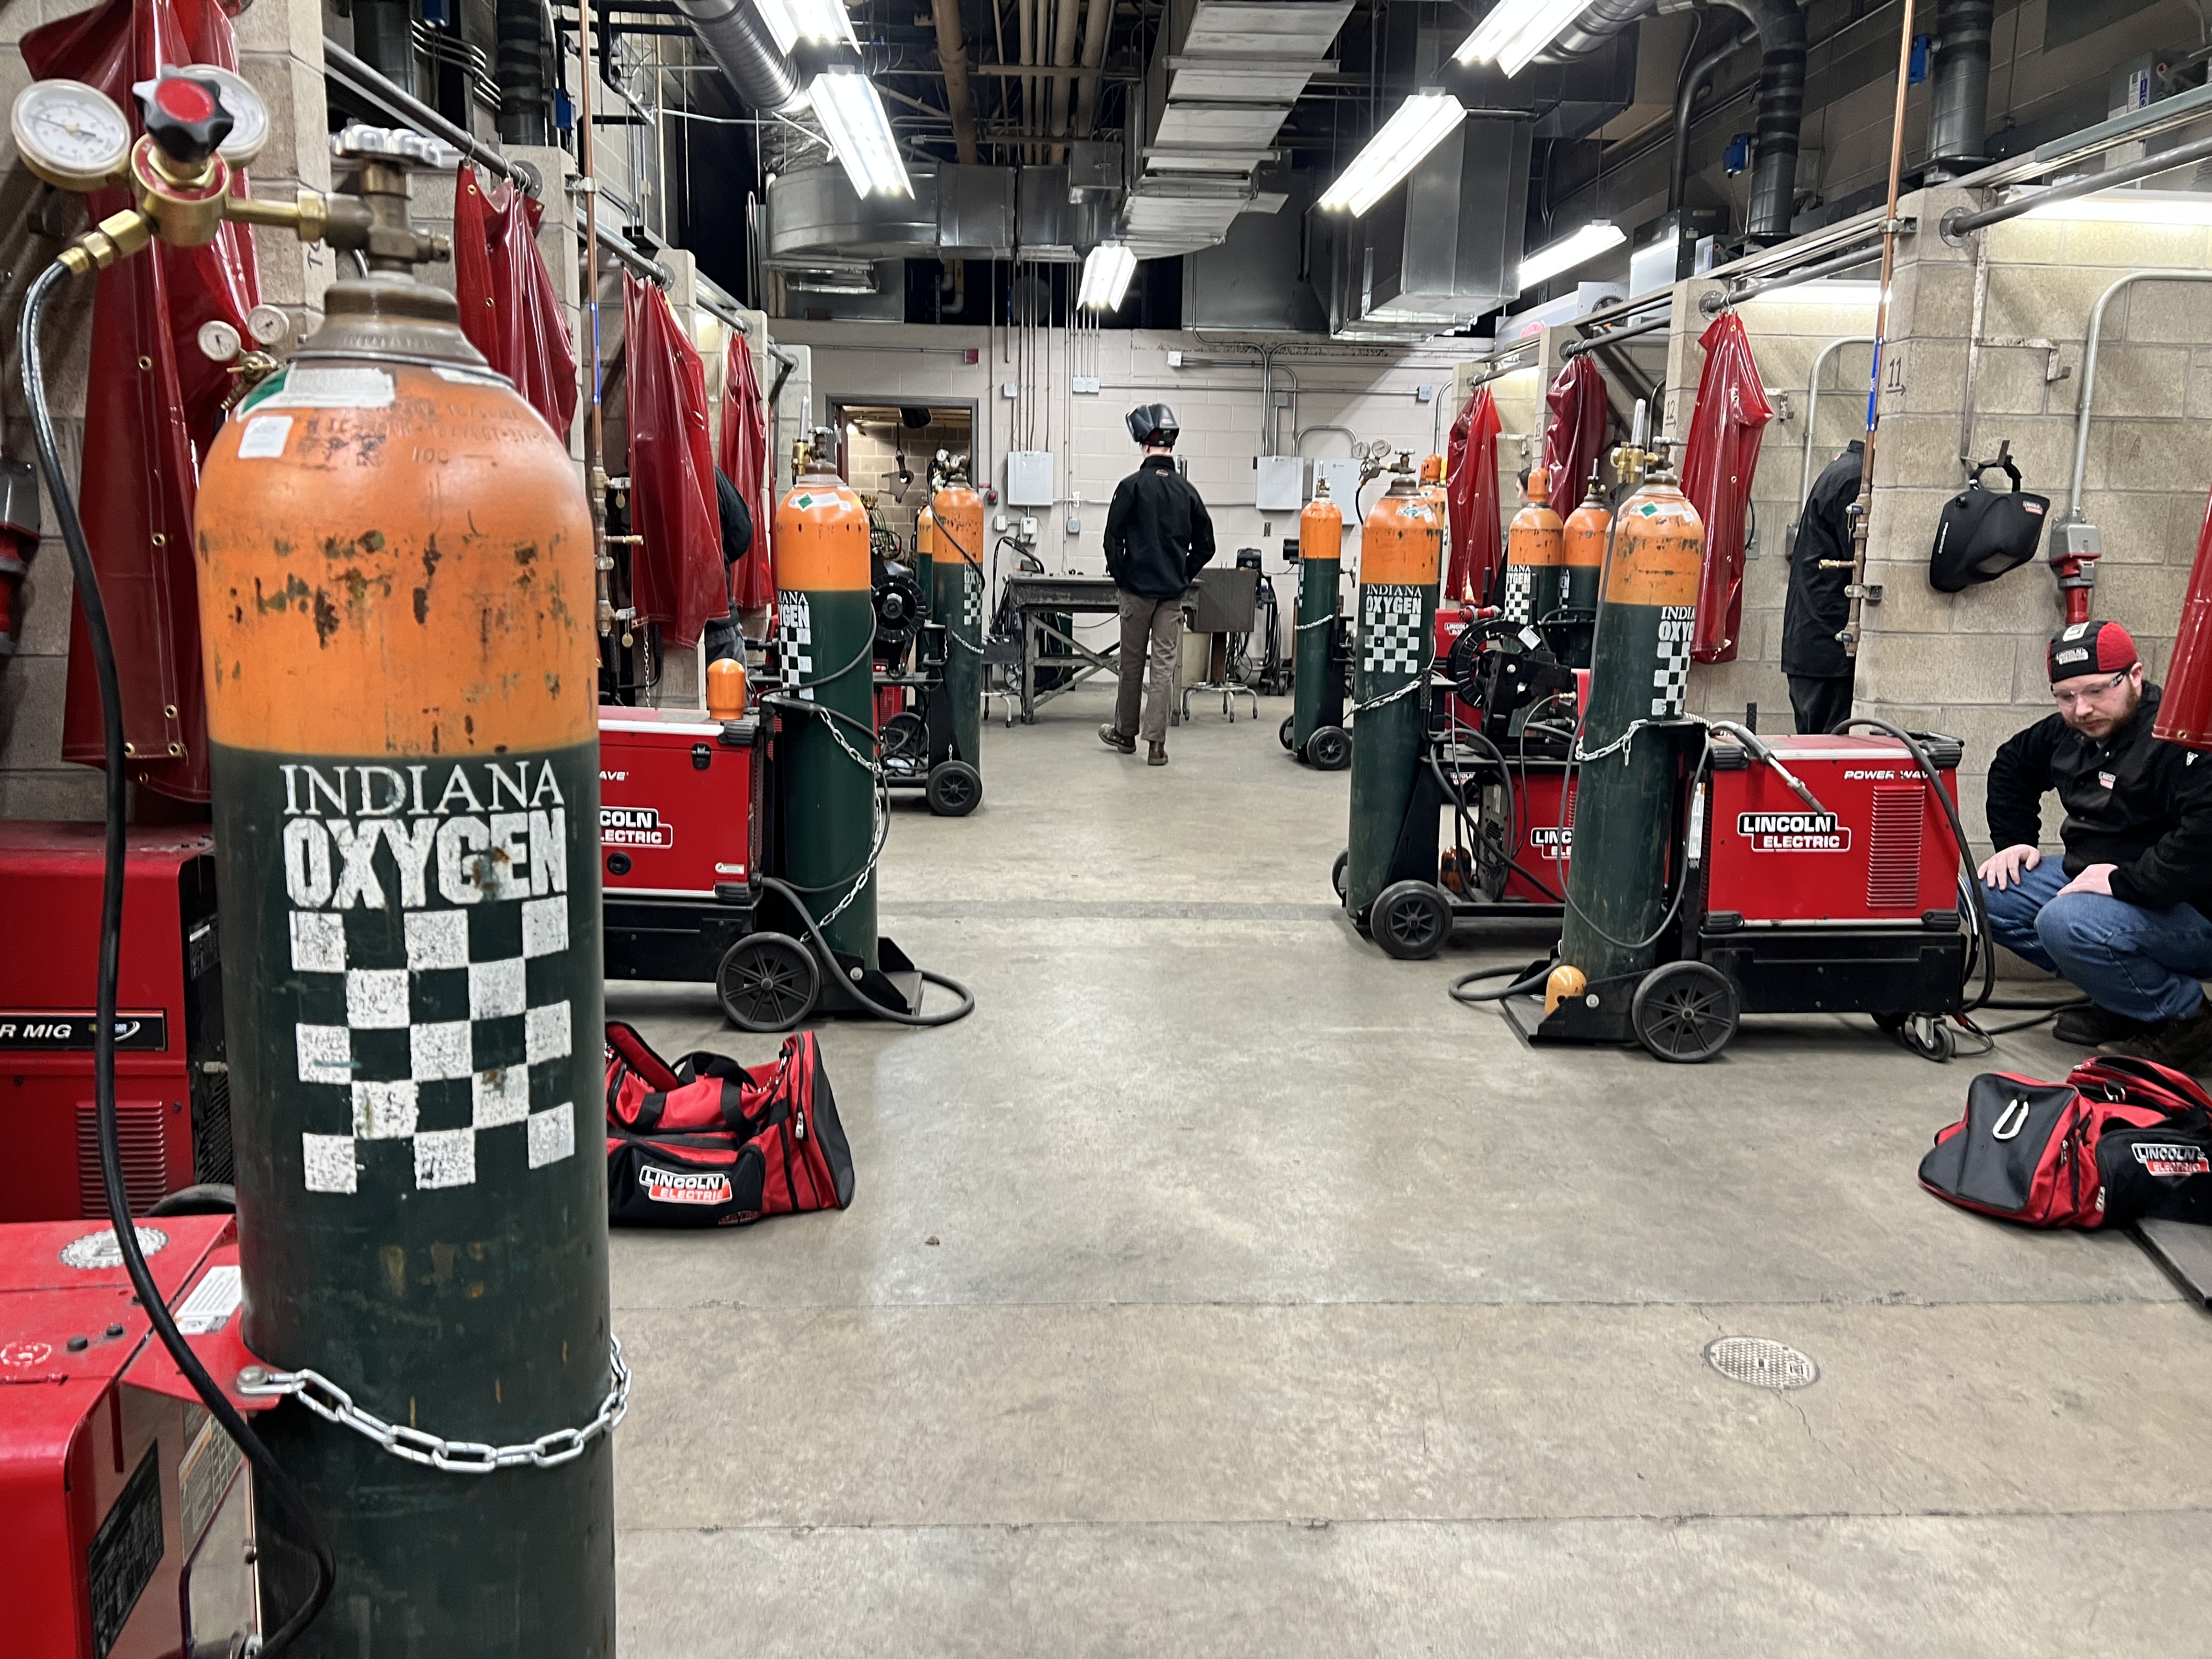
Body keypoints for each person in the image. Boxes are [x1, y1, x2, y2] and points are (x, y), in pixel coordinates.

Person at [1980, 619, 2212, 1064]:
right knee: (1981, 897)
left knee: (2066, 921)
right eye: (2066, 697)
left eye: (2096, 691)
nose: (2082, 709)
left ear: (2136, 676)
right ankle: (2125, 1001)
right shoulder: (2069, 732)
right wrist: (2013, 841)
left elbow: (2205, 836)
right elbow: (2013, 764)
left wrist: (2128, 882)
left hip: (2190, 908)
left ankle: (2189, 1018)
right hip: (2104, 887)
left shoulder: (2179, 739)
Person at [1099, 403, 1215, 766]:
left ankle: (1125, 734)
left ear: (1144, 445)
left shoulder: (1131, 486)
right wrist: (1182, 575)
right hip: (1170, 595)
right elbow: (1207, 546)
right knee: (1163, 669)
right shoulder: (1187, 491)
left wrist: (1123, 575)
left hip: (1136, 592)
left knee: (1131, 665)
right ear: (1170, 446)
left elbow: (1111, 539)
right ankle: (1157, 746)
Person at [1782, 438, 1863, 736]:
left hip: (1813, 646)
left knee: (1814, 755)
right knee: (1829, 759)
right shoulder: (1856, 479)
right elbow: (1861, 559)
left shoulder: (1843, 470)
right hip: (1828, 652)